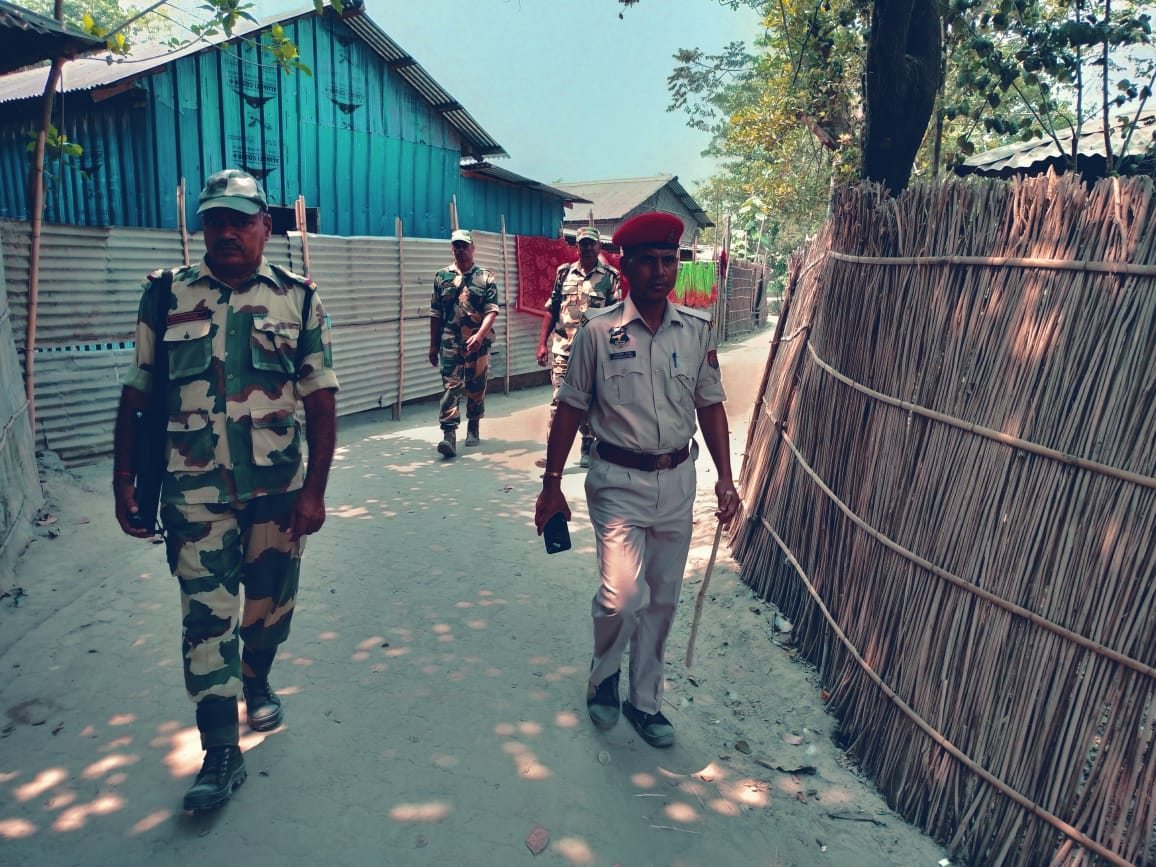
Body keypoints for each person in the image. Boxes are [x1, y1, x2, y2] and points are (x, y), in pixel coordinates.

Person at [112, 169, 339, 812]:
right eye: (216, 219)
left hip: (276, 492)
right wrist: (123, 478)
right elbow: (137, 390)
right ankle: (219, 751)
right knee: (205, 618)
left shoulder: (299, 299)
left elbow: (321, 401)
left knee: (267, 614)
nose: (228, 231)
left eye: (242, 219)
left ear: (267, 227)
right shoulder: (165, 295)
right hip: (195, 496)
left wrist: (314, 491)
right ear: (202, 226)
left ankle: (258, 678)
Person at [534, 211, 739, 749]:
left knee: (663, 599)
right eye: (647, 261)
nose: (659, 271)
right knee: (623, 597)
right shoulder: (597, 335)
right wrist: (552, 483)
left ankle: (644, 700)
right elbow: (570, 409)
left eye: (668, 260)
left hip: (678, 480)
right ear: (625, 266)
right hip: (617, 480)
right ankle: (604, 672)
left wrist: (725, 478)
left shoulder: (696, 332)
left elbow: (711, 405)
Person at [535, 226, 621, 468]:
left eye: (592, 243)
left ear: (599, 246)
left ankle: (587, 445)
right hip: (563, 348)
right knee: (559, 401)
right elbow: (551, 310)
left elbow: (616, 317)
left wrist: (613, 351)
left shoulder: (610, 276)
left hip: (594, 352)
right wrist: (542, 343)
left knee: (590, 400)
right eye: (583, 243)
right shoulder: (564, 273)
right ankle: (554, 454)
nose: (587, 247)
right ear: (577, 247)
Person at [427, 229, 500, 457]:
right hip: (449, 339)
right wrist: (432, 344)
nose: (460, 249)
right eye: (456, 246)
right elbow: (436, 312)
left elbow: (491, 311)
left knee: (476, 384)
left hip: (477, 339)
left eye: (464, 245)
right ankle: (449, 433)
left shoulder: (486, 277)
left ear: (472, 248)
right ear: (452, 248)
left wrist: (479, 336)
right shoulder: (442, 276)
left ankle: (473, 424)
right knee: (451, 385)